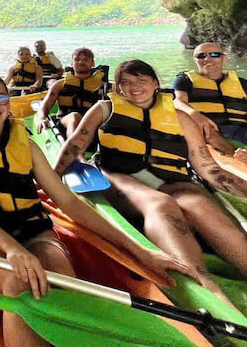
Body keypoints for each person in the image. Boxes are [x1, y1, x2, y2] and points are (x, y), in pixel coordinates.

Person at [0, 71, 187, 347]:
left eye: (0, 97)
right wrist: (12, 249)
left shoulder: (28, 146)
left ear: (8, 100)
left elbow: (68, 201)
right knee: (17, 282)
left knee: (65, 284)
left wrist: (139, 250)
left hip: (33, 232)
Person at [54, 59, 247, 304]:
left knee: (201, 206)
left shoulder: (180, 118)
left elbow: (207, 167)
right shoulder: (104, 109)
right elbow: (75, 146)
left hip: (171, 179)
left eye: (141, 80)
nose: (134, 87)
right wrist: (53, 178)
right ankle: (205, 287)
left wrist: (242, 189)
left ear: (156, 83)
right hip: (119, 176)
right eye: (126, 82)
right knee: (160, 204)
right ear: (118, 88)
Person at [172, 42, 247, 147]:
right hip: (209, 133)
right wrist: (195, 114)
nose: (207, 59)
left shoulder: (242, 83)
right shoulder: (185, 80)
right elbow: (178, 101)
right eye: (201, 56)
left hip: (242, 131)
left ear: (224, 58)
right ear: (195, 60)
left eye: (214, 55)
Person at [35, 47, 107, 136]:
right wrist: (41, 118)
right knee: (75, 117)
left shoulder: (103, 86)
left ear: (93, 63)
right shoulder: (59, 85)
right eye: (77, 59)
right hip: (65, 122)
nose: (81, 62)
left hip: (90, 126)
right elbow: (45, 105)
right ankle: (73, 143)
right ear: (72, 63)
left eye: (85, 60)